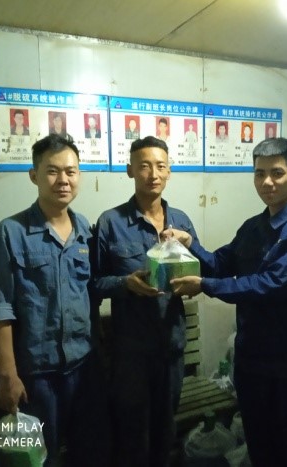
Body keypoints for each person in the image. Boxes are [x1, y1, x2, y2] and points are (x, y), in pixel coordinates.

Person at [165, 137, 287, 467]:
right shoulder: (253, 227)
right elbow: (219, 264)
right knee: (261, 448)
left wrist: (205, 286)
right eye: (259, 173)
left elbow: (272, 284)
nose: (267, 182)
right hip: (253, 363)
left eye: (277, 173)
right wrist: (190, 243)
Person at [0, 134, 109, 467]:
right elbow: (0, 308)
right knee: (42, 459)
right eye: (52, 171)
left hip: (84, 369)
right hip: (37, 377)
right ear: (34, 176)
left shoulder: (86, 231)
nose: (63, 180)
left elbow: (91, 295)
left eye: (71, 171)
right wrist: (8, 376)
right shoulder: (9, 233)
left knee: (89, 454)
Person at [92, 136, 199, 467]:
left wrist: (193, 285)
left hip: (172, 348)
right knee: (132, 438)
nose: (153, 174)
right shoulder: (111, 222)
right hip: (131, 355)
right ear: (130, 171)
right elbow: (93, 284)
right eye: (144, 166)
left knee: (165, 434)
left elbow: (200, 271)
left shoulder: (181, 222)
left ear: (169, 172)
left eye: (160, 166)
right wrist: (126, 283)